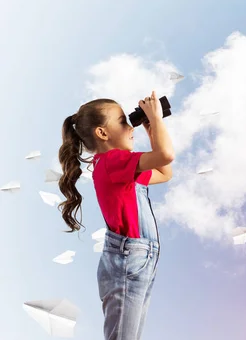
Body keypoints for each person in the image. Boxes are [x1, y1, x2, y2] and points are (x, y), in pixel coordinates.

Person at [57, 90, 175, 340]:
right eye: (124, 121)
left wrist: (152, 131)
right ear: (102, 133)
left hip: (138, 261)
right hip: (128, 262)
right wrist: (156, 119)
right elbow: (165, 155)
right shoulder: (112, 161)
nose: (130, 126)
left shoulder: (119, 165)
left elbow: (164, 172)